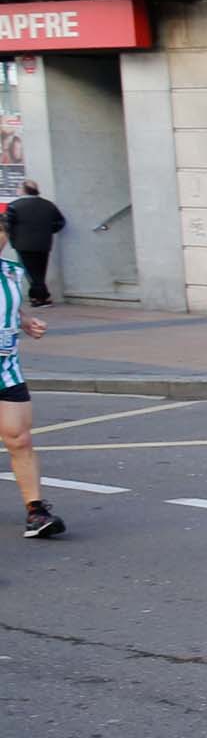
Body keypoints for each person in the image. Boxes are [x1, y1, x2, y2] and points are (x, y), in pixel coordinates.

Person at [0, 218, 62, 537]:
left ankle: (35, 513)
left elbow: (12, 308)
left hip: (6, 369)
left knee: (19, 438)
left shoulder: (11, 270)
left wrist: (26, 322)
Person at [3, 180, 65, 307]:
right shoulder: (48, 205)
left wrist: (12, 236)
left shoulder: (14, 206)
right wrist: (48, 231)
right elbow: (60, 222)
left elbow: (6, 225)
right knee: (40, 271)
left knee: (31, 272)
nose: (17, 190)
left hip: (23, 243)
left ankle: (41, 298)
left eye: (19, 187)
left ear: (23, 190)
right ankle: (38, 296)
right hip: (44, 243)